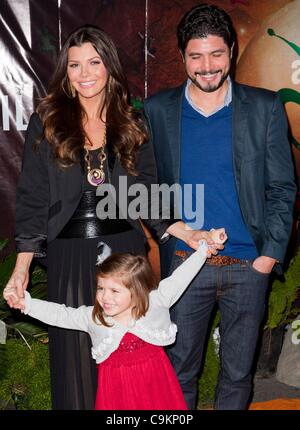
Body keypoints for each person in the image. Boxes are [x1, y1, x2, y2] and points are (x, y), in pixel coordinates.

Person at [3, 24, 224, 410]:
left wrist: (187, 233)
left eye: (94, 62)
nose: (85, 73)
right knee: (76, 356)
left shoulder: (132, 121)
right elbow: (33, 199)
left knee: (129, 360)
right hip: (68, 256)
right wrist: (22, 268)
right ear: (65, 72)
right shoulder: (48, 121)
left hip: (124, 254)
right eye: (75, 65)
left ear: (109, 67)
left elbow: (148, 193)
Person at [143, 3, 297, 410]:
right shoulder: (158, 111)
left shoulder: (264, 108)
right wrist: (176, 230)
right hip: (184, 265)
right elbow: (144, 183)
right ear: (182, 57)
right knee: (179, 373)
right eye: (196, 56)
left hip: (249, 266)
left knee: (237, 376)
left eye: (216, 54)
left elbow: (283, 187)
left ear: (231, 50)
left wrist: (269, 256)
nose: (207, 66)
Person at [4, 231, 227, 410]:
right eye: (101, 288)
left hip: (155, 384)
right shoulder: (94, 317)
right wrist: (27, 304)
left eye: (114, 290)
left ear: (136, 290)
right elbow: (61, 314)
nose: (104, 297)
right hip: (116, 390)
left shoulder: (154, 302)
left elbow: (181, 277)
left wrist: (205, 248)